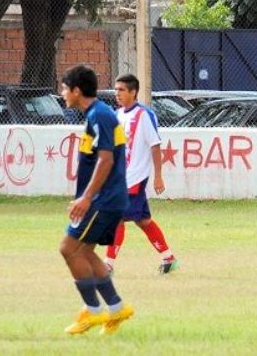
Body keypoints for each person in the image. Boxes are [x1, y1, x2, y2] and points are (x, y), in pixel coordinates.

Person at [59, 65, 134, 336]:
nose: (62, 93)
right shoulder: (97, 114)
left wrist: (86, 198)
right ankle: (116, 308)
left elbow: (106, 160)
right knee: (86, 252)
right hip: (107, 199)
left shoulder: (99, 115)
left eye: (65, 88)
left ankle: (92, 311)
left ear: (77, 91)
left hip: (103, 200)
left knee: (69, 249)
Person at [104, 74, 178, 275]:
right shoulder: (117, 114)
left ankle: (108, 264)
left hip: (135, 179)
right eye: (116, 89)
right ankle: (169, 258)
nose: (117, 93)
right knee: (143, 221)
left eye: (121, 90)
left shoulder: (144, 115)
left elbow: (155, 146)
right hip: (121, 178)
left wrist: (158, 176)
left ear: (133, 92)